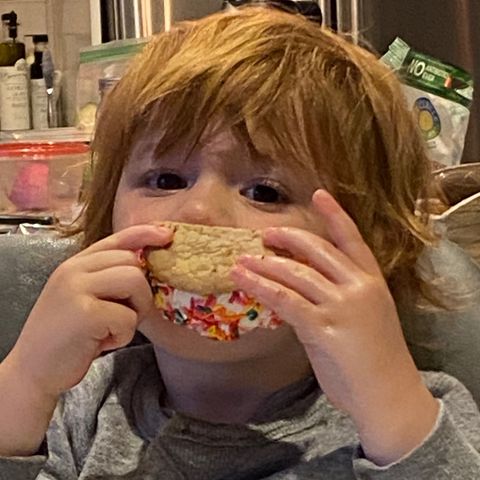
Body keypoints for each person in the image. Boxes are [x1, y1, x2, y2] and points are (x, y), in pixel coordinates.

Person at [1, 6, 479, 479]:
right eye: (166, 179)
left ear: (367, 249)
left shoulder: (407, 417)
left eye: (265, 192)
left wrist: (390, 404)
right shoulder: (82, 405)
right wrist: (23, 381)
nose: (198, 214)